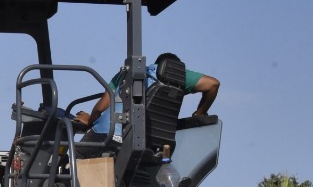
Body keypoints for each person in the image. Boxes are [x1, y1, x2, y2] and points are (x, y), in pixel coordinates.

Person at [73, 52, 220, 131]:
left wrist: (89, 121)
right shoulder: (178, 77)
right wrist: (200, 113)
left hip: (114, 133)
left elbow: (100, 108)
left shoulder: (131, 73)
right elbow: (213, 84)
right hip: (154, 141)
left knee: (76, 160)